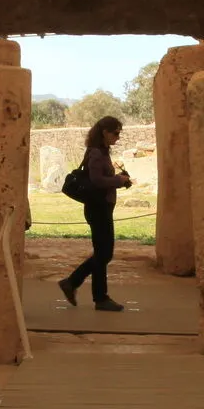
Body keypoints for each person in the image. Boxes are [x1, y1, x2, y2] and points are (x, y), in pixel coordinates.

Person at [59, 116, 133, 313]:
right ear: (104, 132)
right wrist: (119, 180)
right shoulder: (96, 154)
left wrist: (120, 180)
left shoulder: (102, 152)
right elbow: (97, 180)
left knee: (103, 253)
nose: (118, 137)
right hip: (97, 208)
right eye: (115, 133)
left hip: (102, 207)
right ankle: (93, 294)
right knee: (104, 253)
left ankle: (79, 286)